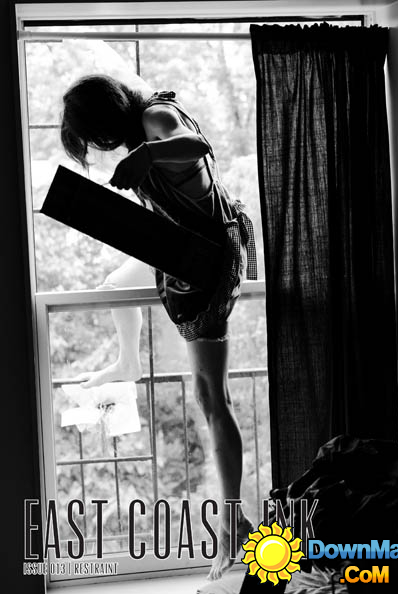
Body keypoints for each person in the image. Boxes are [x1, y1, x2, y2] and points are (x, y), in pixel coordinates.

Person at [60, 74, 257, 580]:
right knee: (112, 285)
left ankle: (234, 524)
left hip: (207, 259)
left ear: (108, 119)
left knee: (212, 398)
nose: (103, 147)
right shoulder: (147, 116)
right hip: (179, 246)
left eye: (96, 137)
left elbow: (197, 145)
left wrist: (145, 156)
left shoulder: (155, 118)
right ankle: (128, 360)